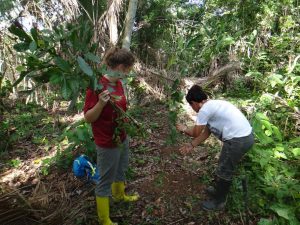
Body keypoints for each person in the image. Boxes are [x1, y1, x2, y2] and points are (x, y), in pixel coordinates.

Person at [177, 85, 254, 211]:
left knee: (224, 169)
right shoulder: (213, 105)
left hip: (238, 140)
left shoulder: (205, 110)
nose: (192, 109)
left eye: (191, 106)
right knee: (223, 165)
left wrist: (184, 128)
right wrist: (191, 145)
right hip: (245, 138)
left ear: (194, 102)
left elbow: (196, 132)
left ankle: (219, 202)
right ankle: (218, 191)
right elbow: (206, 133)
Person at [84, 47, 139, 225]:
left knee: (121, 169)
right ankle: (104, 219)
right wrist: (100, 103)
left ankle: (119, 195)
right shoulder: (97, 85)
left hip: (121, 137)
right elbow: (88, 118)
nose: (129, 73)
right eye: (128, 69)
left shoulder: (119, 84)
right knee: (105, 179)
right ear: (121, 67)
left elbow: (121, 107)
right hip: (107, 142)